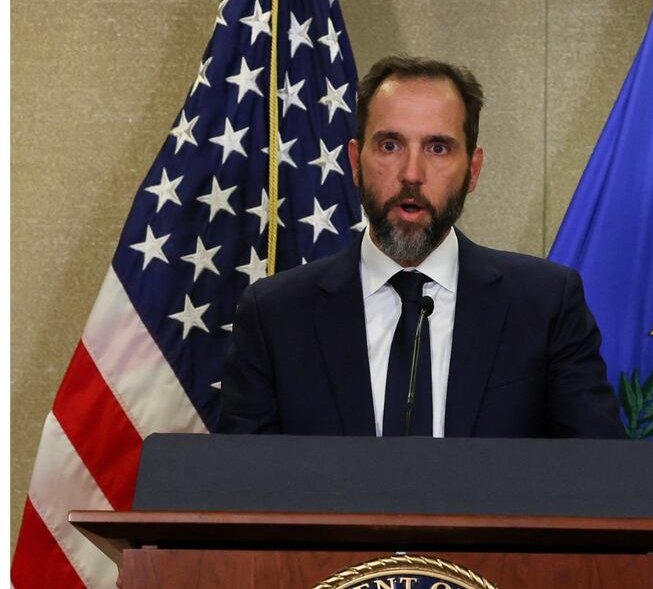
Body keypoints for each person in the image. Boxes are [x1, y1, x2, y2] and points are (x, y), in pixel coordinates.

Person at [219, 55, 624, 439]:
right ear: (356, 163)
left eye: (438, 148)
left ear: (473, 170)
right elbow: (241, 487)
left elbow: (600, 479)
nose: (411, 174)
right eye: (390, 146)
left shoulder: (545, 305)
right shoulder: (275, 315)